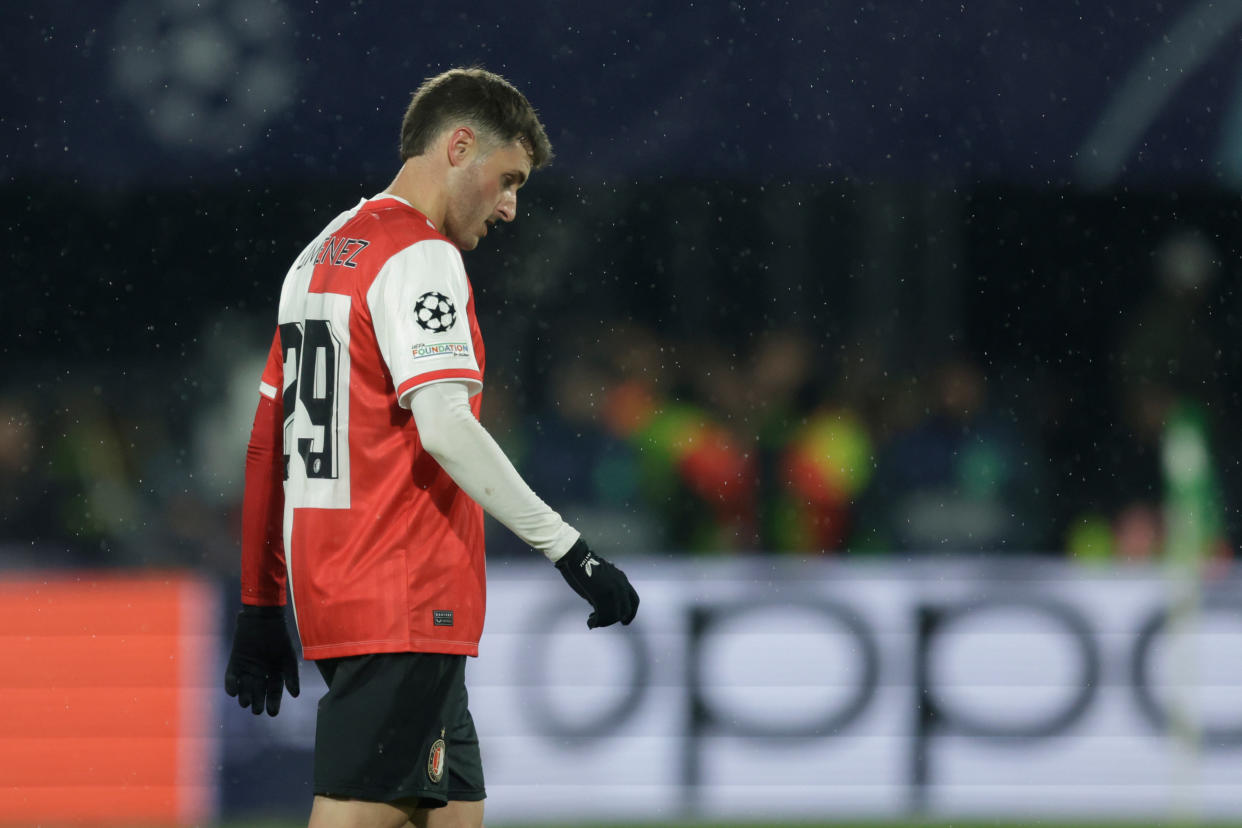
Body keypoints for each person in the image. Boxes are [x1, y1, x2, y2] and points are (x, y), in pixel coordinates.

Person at [222, 67, 639, 828]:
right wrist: (571, 552)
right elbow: (445, 426)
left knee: (453, 815)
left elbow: (266, 448)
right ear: (458, 148)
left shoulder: (319, 255)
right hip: (402, 596)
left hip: (346, 592)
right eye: (508, 179)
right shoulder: (419, 256)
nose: (511, 207)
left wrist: (259, 603)